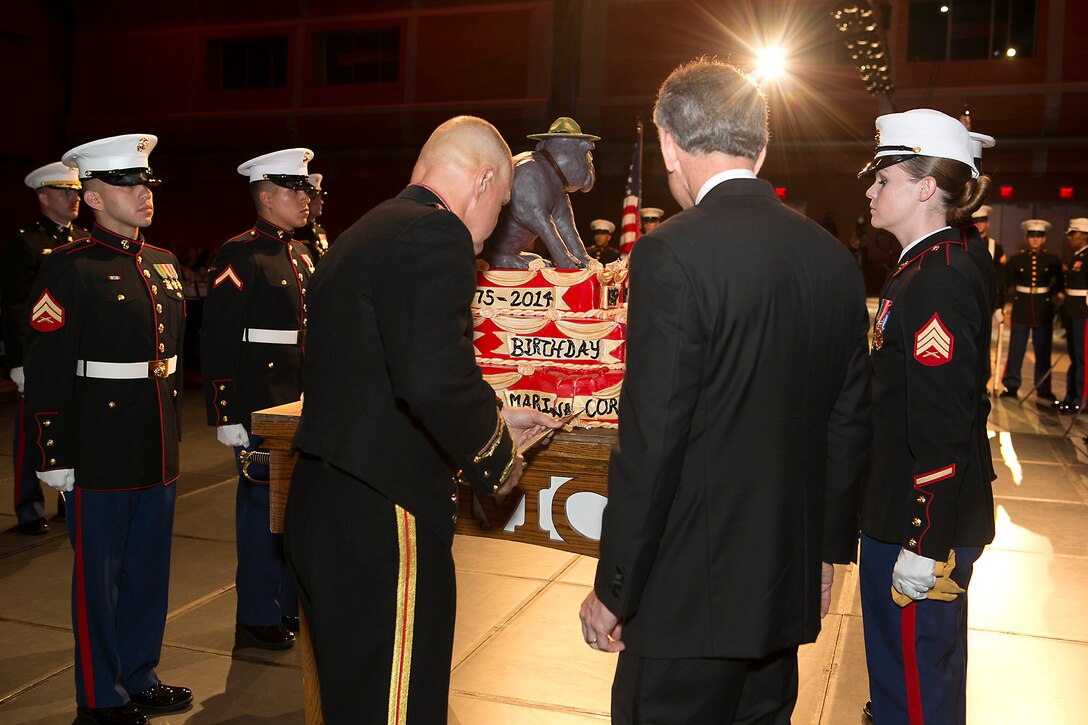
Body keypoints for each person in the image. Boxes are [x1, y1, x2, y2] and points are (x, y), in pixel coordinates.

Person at [578, 59, 871, 724]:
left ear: (668, 145)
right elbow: (848, 424)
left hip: (686, 601)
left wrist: (614, 587)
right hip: (780, 592)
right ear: (760, 147)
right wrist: (824, 552)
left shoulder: (671, 254)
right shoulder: (833, 259)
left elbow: (653, 441)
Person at [283, 116, 560, 723]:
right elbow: (434, 378)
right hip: (384, 516)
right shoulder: (437, 235)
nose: (497, 227)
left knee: (354, 701)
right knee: (399, 709)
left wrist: (489, 415)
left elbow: (383, 372)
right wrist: (496, 453)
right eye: (504, 206)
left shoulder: (364, 231)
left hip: (325, 502)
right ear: (484, 181)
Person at [23, 134, 191, 724]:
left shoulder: (163, 263)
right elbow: (46, 368)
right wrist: (53, 452)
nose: (144, 194)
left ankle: (140, 674)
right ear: (91, 197)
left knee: (148, 571)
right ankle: (98, 696)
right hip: (97, 443)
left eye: (146, 184)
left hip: (156, 439)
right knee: (99, 582)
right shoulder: (67, 268)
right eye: (128, 185)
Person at [857, 108, 997, 724]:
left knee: (916, 691)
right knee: (901, 682)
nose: (870, 190)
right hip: (902, 510)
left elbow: (942, 419)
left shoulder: (936, 279)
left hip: (916, 523)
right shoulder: (926, 265)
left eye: (883, 179)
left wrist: (924, 538)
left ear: (924, 188)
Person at [201, 148, 316, 650]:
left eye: (306, 190)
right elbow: (219, 335)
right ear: (265, 197)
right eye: (295, 190)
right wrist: (226, 412)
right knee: (259, 511)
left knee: (295, 510)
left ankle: (286, 606)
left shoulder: (301, 255)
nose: (306, 198)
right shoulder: (240, 254)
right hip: (258, 403)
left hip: (297, 401)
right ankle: (255, 614)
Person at [2, 161, 87, 535]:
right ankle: (28, 507)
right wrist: (19, 360)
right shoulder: (26, 242)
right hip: (40, 353)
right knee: (31, 431)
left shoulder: (85, 237)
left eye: (76, 192)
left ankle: (68, 498)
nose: (74, 198)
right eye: (64, 192)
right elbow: (16, 305)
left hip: (77, 351)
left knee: (76, 424)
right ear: (43, 197)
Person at [1000, 219, 1062, 401]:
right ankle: (1011, 385)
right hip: (1021, 306)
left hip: (1043, 308)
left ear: (1044, 238)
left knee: (1043, 350)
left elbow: (1059, 284)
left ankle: (1043, 387)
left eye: (1039, 236)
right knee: (1016, 349)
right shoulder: (1017, 259)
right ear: (1026, 237)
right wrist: (1001, 307)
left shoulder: (1052, 259)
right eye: (1032, 236)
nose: (1035, 240)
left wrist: (1058, 299)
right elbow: (1005, 283)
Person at [1058, 218, 1088, 413]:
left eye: (1073, 234)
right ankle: (1071, 396)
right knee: (1073, 357)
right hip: (1072, 311)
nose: (1069, 238)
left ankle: (1081, 399)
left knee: (1081, 357)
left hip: (1083, 312)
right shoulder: (1078, 255)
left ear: (1084, 236)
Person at [294, 172, 329, 262]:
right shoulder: (295, 232)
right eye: (315, 198)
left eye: (320, 198)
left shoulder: (320, 231)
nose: (321, 202)